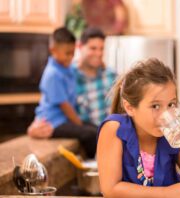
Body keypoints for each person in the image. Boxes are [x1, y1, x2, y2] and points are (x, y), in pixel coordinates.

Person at [97, 58, 180, 198]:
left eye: (171, 105)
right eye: (155, 106)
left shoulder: (171, 134)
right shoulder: (114, 129)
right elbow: (110, 189)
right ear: (129, 107)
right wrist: (166, 194)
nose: (165, 115)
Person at [28, 27, 116, 158]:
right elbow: (55, 106)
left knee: (96, 129)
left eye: (101, 49)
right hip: (57, 123)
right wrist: (32, 129)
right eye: (93, 48)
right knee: (91, 133)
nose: (98, 54)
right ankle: (94, 161)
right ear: (81, 47)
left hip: (108, 138)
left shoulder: (110, 75)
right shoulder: (62, 72)